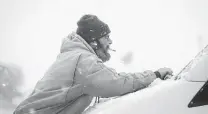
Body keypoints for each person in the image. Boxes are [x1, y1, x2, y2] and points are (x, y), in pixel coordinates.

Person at [13, 14, 173, 114]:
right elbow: (116, 84)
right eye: (106, 37)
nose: (110, 41)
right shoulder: (83, 60)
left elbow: (112, 78)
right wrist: (155, 75)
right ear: (93, 41)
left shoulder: (73, 55)